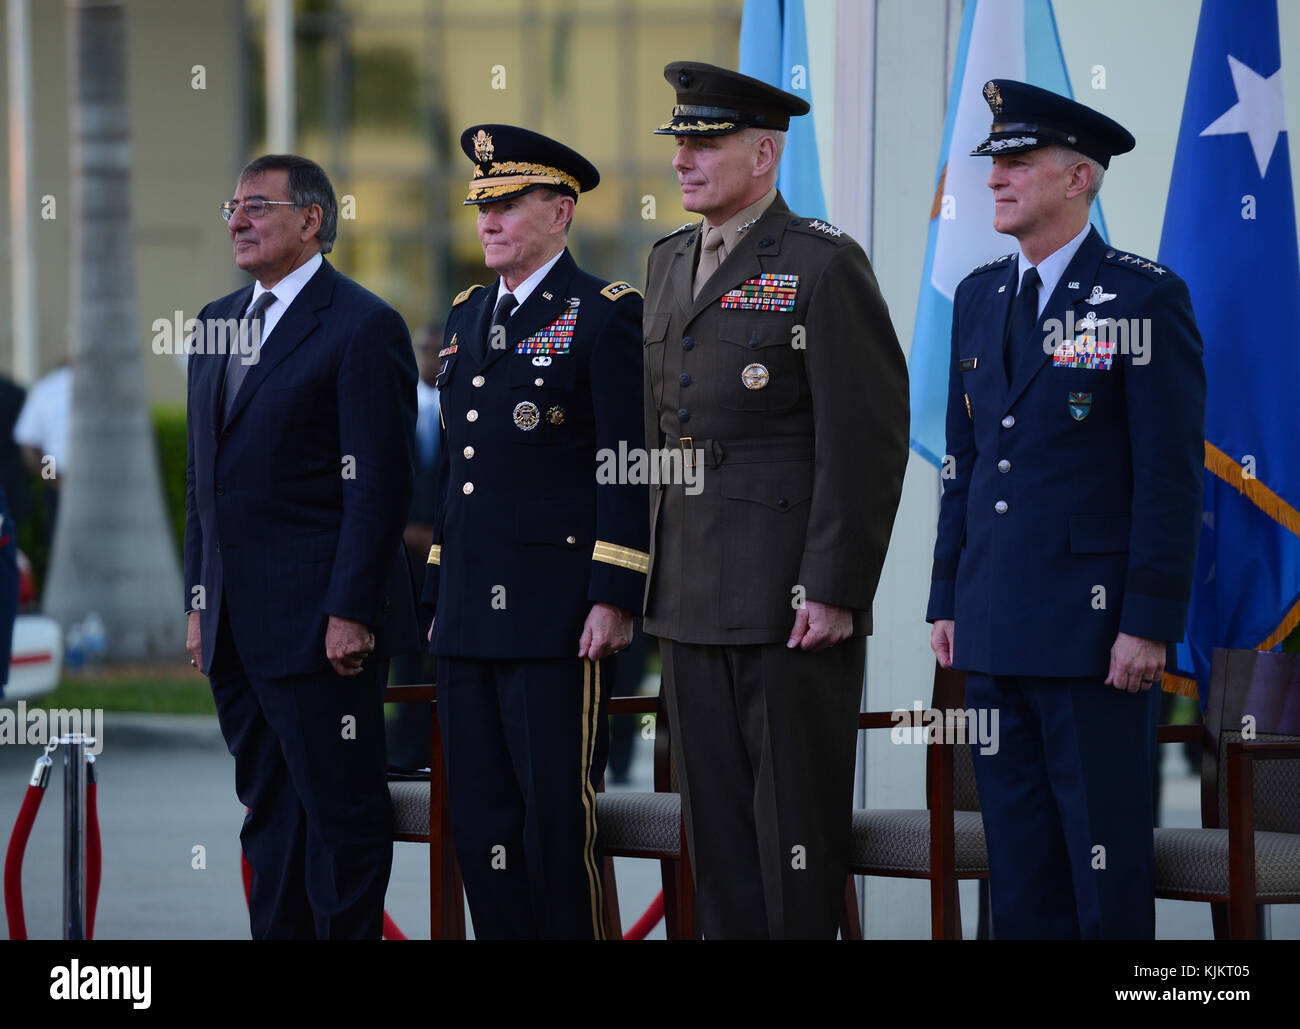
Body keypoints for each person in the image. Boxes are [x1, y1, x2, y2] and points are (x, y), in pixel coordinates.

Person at [926, 80, 1206, 939]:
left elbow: (1168, 476)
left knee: (1101, 865)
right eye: (994, 163)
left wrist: (1149, 621)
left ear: (1080, 176)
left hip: (1096, 638)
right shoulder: (977, 296)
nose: (997, 179)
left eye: (1018, 162)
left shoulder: (1143, 298)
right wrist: (946, 596)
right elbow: (962, 463)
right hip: (994, 625)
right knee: (1016, 867)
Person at [642, 62, 909, 938]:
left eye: (705, 142)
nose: (684, 159)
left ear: (764, 152)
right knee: (715, 842)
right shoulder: (667, 261)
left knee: (792, 837)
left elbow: (863, 440)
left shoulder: (821, 264)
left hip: (787, 603)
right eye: (680, 142)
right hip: (686, 598)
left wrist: (834, 585)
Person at [421, 125, 648, 939]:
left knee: (554, 821)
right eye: (483, 204)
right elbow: (460, 472)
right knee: (482, 825)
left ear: (561, 210)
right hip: (470, 613)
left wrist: (616, 592)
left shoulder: (604, 313)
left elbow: (627, 463)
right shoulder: (465, 313)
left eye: (509, 204)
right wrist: (441, 590)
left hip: (558, 616)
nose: (488, 220)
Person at [185, 153, 419, 939]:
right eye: (233, 205)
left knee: (341, 823)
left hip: (322, 631)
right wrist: (198, 601)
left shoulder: (362, 324)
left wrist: (351, 609)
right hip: (236, 629)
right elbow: (203, 484)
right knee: (269, 820)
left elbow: (378, 489)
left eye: (256, 205)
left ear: (312, 219)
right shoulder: (217, 320)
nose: (237, 221)